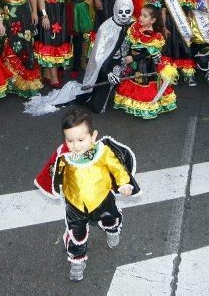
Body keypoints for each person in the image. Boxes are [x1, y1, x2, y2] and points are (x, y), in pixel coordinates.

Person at [34, 108, 139, 282]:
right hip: (75, 205)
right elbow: (55, 172)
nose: (75, 145)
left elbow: (117, 167)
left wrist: (124, 183)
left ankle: (112, 230)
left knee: (110, 219)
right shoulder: (64, 155)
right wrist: (55, 175)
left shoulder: (102, 151)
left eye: (81, 139)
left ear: (93, 135)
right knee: (77, 234)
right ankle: (76, 261)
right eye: (70, 140)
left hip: (103, 200)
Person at [112, 4, 177, 119]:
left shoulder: (152, 35)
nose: (140, 17)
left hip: (145, 65)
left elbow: (148, 52)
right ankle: (131, 99)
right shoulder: (136, 27)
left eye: (144, 16)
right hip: (134, 63)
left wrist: (133, 58)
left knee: (142, 81)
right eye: (141, 14)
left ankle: (146, 105)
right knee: (133, 79)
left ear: (152, 20)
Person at [33, 0, 72, 88]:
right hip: (48, 10)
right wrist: (44, 16)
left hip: (60, 12)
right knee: (49, 41)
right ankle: (53, 76)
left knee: (57, 42)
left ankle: (47, 74)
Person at [161, 0, 197, 85]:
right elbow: (163, 10)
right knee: (170, 48)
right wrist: (164, 27)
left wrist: (190, 20)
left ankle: (187, 73)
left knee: (185, 49)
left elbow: (191, 12)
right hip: (170, 24)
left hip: (183, 26)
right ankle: (171, 74)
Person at [65, 0, 94, 79]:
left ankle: (76, 66)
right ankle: (63, 65)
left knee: (78, 40)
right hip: (67, 12)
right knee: (65, 39)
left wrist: (86, 11)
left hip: (81, 14)